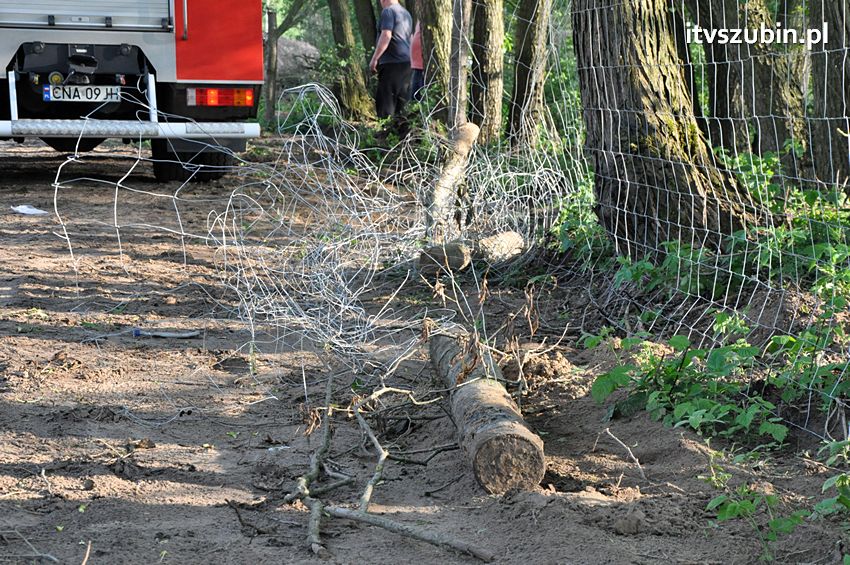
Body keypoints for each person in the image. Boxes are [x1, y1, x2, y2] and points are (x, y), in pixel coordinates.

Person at [369, 0, 413, 118]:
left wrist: (374, 59)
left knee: (385, 100)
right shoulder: (405, 13)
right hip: (406, 63)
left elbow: (386, 35)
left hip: (391, 63)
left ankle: (386, 131)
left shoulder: (388, 11)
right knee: (402, 101)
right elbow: (410, 37)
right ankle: (401, 130)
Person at [409, 21, 424, 102]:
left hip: (423, 64)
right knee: (414, 96)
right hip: (417, 63)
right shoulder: (422, 15)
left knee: (420, 94)